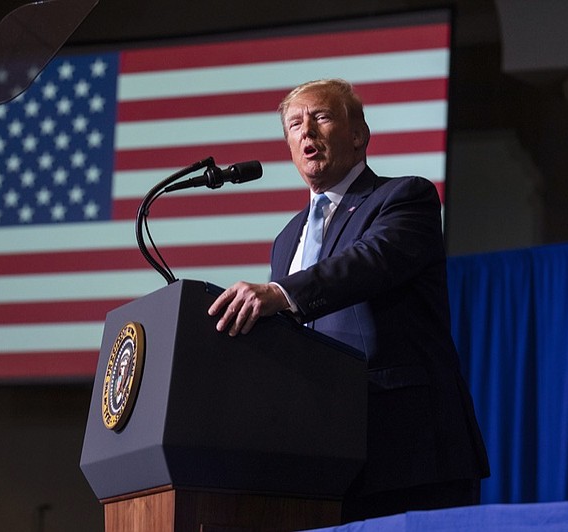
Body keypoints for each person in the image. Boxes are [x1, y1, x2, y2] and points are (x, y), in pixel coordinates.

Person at [207, 79, 490, 521]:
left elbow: (369, 262)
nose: (307, 133)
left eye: (320, 117)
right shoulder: (286, 240)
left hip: (406, 447)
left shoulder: (404, 197)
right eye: (295, 125)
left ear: (358, 135)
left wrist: (281, 293)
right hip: (320, 456)